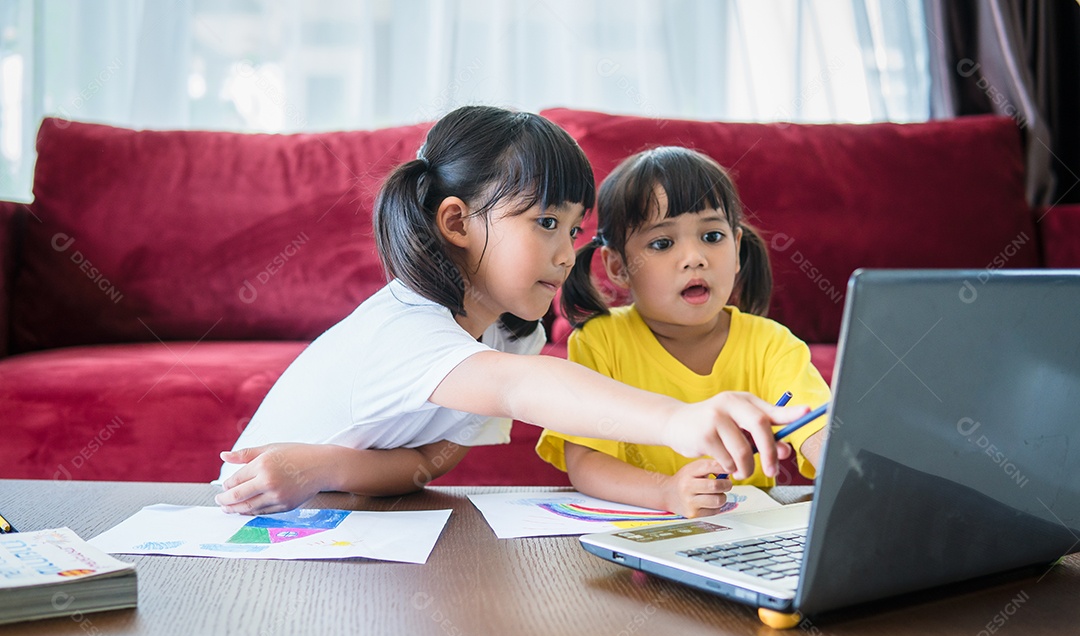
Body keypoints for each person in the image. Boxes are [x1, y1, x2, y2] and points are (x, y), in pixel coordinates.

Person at [215, 108, 809, 515]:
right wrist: (680, 422)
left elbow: (424, 463)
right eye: (546, 223)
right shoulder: (408, 323)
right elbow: (523, 389)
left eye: (575, 229)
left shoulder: (511, 331)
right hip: (252, 527)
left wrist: (320, 467)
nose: (566, 250)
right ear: (457, 223)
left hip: (326, 510)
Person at [537, 146, 831, 518]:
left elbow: (819, 430)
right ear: (618, 266)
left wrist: (850, 472)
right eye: (662, 243)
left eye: (712, 237)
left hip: (742, 536)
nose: (695, 257)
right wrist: (666, 492)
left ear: (737, 248)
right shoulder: (600, 342)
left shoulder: (774, 344)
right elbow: (585, 462)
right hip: (636, 536)